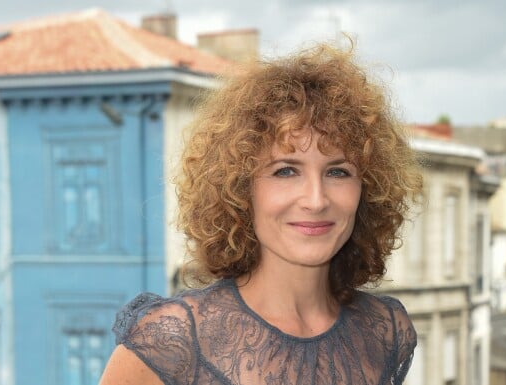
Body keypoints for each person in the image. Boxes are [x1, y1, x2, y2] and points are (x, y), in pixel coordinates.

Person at [99, 43, 423, 385]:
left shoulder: (386, 331)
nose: (316, 200)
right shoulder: (170, 342)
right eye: (285, 171)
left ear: (367, 189)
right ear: (239, 189)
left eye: (338, 172)